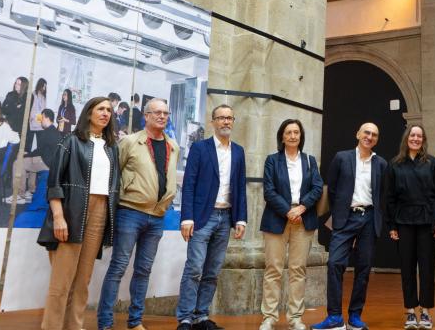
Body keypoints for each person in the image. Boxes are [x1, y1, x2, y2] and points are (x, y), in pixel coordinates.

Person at [37, 97, 119, 330]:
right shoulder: (71, 141)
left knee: (83, 280)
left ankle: (76, 326)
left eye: (109, 110)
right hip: (71, 212)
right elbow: (54, 183)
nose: (105, 113)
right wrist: (59, 217)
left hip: (100, 212)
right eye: (100, 109)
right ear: (89, 113)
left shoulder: (112, 148)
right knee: (61, 281)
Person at [96, 98, 179, 330]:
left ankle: (135, 322)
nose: (162, 116)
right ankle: (105, 322)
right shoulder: (130, 142)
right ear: (146, 115)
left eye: (165, 113)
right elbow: (116, 174)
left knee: (144, 270)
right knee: (118, 267)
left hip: (157, 216)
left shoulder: (174, 146)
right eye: (157, 113)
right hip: (130, 212)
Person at [175, 104, 248, 330]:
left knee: (213, 271)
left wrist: (241, 219)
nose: (226, 122)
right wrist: (187, 217)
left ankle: (201, 317)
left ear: (233, 121)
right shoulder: (200, 148)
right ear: (213, 122)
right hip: (201, 218)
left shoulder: (238, 151)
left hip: (225, 218)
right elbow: (189, 185)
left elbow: (240, 187)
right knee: (195, 268)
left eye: (229, 118)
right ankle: (185, 318)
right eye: (221, 118)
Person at [312, 122, 387, 330]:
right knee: (335, 263)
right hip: (345, 217)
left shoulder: (381, 163)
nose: (370, 137)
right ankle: (334, 317)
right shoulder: (342, 157)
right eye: (366, 132)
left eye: (374, 134)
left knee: (363, 268)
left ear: (377, 139)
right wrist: (341, 211)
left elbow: (383, 194)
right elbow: (333, 188)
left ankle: (355, 316)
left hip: (370, 219)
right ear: (358, 134)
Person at [259, 119, 324, 330]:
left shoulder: (309, 160)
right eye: (289, 132)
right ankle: (269, 317)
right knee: (273, 269)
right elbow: (269, 190)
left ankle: (295, 317)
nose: (293, 136)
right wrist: (288, 210)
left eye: (296, 132)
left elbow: (317, 188)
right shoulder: (272, 160)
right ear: (282, 136)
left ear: (301, 136)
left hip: (303, 219)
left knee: (298, 270)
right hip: (277, 218)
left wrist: (301, 207)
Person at [385, 125, 435, 330]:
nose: (416, 138)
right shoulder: (395, 164)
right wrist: (392, 225)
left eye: (419, 136)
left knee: (427, 268)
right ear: (407, 138)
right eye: (413, 135)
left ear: (423, 140)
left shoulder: (433, 163)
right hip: (403, 222)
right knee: (407, 269)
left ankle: (426, 311)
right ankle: (410, 311)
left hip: (428, 222)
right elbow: (389, 198)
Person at [22, 109, 64, 202]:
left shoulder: (47, 132)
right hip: (52, 163)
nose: (40, 120)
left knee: (19, 163)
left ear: (47, 118)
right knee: (32, 161)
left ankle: (20, 195)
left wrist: (25, 155)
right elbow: (41, 151)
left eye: (42, 118)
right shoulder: (54, 131)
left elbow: (39, 151)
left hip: (47, 164)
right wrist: (30, 155)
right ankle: (31, 191)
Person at [28, 78, 49, 152]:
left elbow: (43, 110)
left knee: (40, 144)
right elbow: (31, 109)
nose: (44, 88)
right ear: (40, 85)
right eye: (43, 86)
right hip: (32, 122)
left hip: (40, 124)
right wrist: (34, 117)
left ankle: (38, 157)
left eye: (45, 87)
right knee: (28, 144)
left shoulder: (43, 97)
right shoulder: (33, 94)